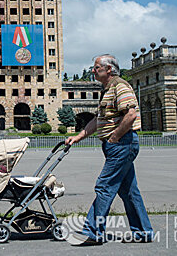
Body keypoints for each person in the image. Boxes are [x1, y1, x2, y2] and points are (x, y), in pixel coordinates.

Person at [66, 54, 154, 246]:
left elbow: (131, 114)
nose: (93, 70)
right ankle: (143, 232)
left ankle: (92, 231)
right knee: (129, 191)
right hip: (118, 145)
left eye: (96, 67)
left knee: (104, 186)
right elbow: (98, 120)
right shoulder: (107, 89)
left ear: (109, 70)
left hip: (122, 144)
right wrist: (79, 136)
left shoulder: (120, 86)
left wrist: (114, 137)